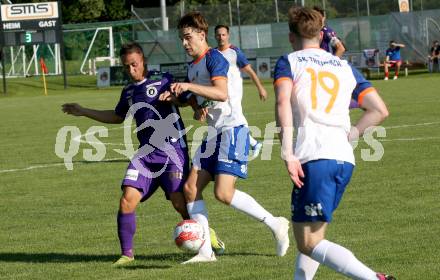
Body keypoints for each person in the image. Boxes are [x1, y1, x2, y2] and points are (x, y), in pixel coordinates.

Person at [61, 42, 224, 266]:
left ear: (143, 62)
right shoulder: (128, 92)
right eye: (126, 66)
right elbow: (117, 117)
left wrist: (182, 102)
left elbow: (187, 99)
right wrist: (83, 111)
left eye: (134, 65)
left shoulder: (163, 79)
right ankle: (127, 254)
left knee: (179, 201)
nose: (131, 70)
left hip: (172, 152)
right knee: (127, 200)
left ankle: (204, 234)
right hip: (146, 155)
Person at [274, 6, 394, 280]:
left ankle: (373, 279)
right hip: (342, 158)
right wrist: (350, 135)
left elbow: (282, 103)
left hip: (314, 157)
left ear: (292, 36)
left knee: (308, 242)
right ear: (320, 34)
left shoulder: (290, 61)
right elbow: (379, 110)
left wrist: (287, 153)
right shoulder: (344, 66)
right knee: (315, 236)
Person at [168, 11, 290, 264]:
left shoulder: (215, 59)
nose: (184, 43)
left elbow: (221, 93)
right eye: (181, 38)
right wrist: (190, 103)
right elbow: (203, 99)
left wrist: (189, 87)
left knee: (223, 194)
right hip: (213, 133)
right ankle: (205, 252)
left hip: (233, 130)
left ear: (202, 35)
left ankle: (275, 223)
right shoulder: (193, 66)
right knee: (190, 189)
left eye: (188, 37)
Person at [214, 24, 267, 157]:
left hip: (234, 92)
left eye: (223, 34)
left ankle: (253, 144)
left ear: (228, 35)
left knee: (236, 117)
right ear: (215, 36)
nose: (221, 37)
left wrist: (260, 87)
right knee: (227, 118)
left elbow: (249, 71)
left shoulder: (235, 52)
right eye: (218, 35)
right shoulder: (213, 53)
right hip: (222, 93)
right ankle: (252, 143)